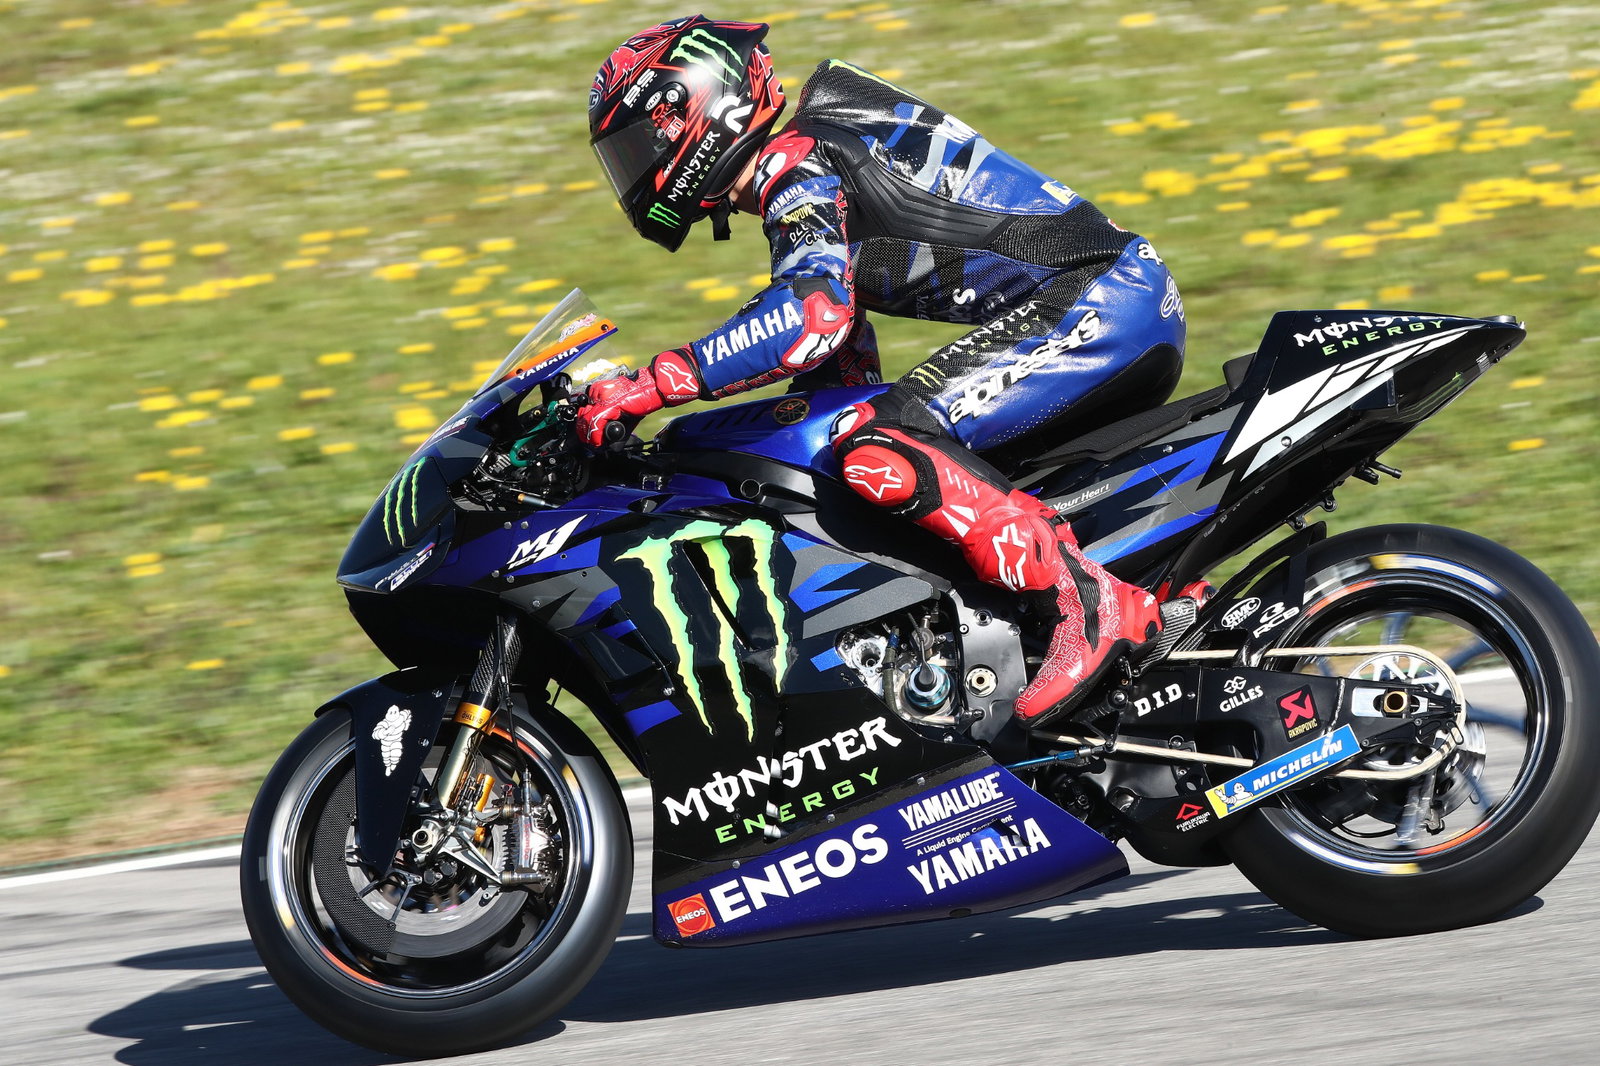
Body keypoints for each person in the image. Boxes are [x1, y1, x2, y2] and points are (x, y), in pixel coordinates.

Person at [581, 15, 1201, 728]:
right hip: (1114, 299)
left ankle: (1087, 605)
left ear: (696, 111)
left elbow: (812, 318)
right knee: (868, 448)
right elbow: (841, 359)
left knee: (881, 447)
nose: (632, 173)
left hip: (1102, 302)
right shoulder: (810, 165)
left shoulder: (796, 164)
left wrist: (651, 385)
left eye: (637, 147)